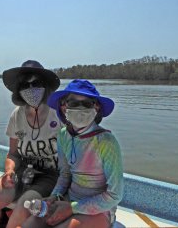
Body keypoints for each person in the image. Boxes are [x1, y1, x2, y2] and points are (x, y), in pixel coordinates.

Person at [23, 79, 124, 228]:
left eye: (87, 103)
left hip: (100, 210)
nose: (80, 108)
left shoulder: (107, 142)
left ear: (96, 107)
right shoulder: (63, 135)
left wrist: (72, 208)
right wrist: (55, 197)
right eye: (73, 103)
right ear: (64, 107)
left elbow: (115, 195)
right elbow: (65, 174)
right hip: (69, 199)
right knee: (30, 224)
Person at [0, 60, 62, 228]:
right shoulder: (17, 115)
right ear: (18, 91)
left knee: (24, 205)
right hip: (22, 171)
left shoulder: (58, 114)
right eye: (25, 85)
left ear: (45, 86)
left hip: (50, 175)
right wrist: (9, 171)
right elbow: (13, 153)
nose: (31, 89)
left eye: (36, 83)